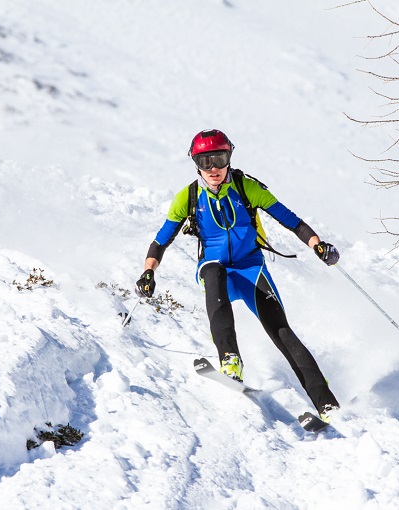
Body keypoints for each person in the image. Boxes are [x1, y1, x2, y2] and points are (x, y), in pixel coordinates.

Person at [135, 129, 341, 422]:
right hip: (214, 270)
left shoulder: (247, 188)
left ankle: (326, 403)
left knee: (282, 332)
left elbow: (292, 221)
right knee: (214, 269)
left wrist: (317, 245)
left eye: (218, 159)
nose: (213, 168)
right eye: (205, 162)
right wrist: (147, 273)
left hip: (250, 269)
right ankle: (230, 360)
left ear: (229, 157)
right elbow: (160, 241)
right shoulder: (189, 196)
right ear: (196, 164)